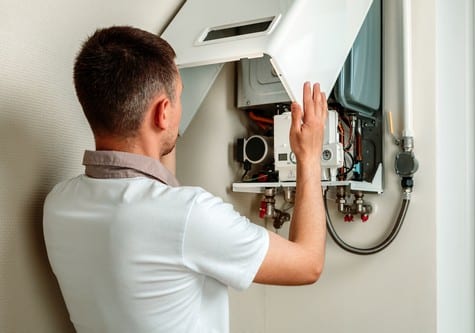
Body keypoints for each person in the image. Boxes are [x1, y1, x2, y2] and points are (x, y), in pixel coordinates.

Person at [43, 26, 327, 333]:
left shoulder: (59, 203)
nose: (182, 107)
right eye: (179, 98)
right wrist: (309, 157)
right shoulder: (190, 215)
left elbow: (156, 199)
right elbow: (308, 263)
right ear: (163, 112)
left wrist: (161, 127)